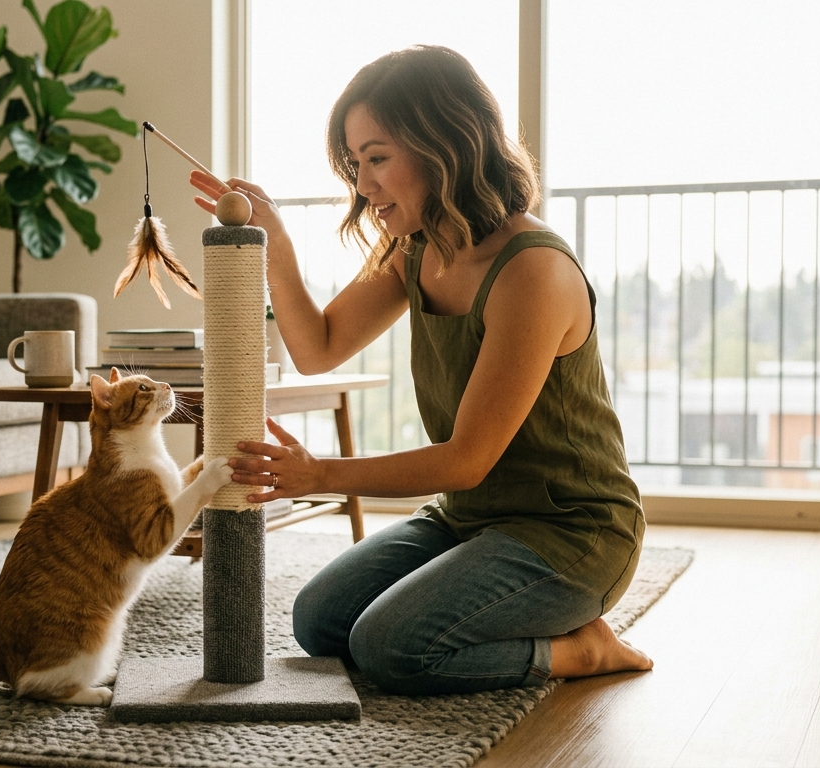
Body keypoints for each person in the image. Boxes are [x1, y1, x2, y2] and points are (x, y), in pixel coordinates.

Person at [189, 45, 652, 696]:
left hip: (571, 531)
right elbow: (318, 347)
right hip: (469, 519)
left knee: (391, 646)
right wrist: (278, 247)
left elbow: (465, 459)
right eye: (355, 165)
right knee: (318, 619)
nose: (363, 185)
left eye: (377, 158)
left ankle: (581, 650)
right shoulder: (416, 249)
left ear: (446, 145)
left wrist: (321, 475)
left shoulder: (532, 272)